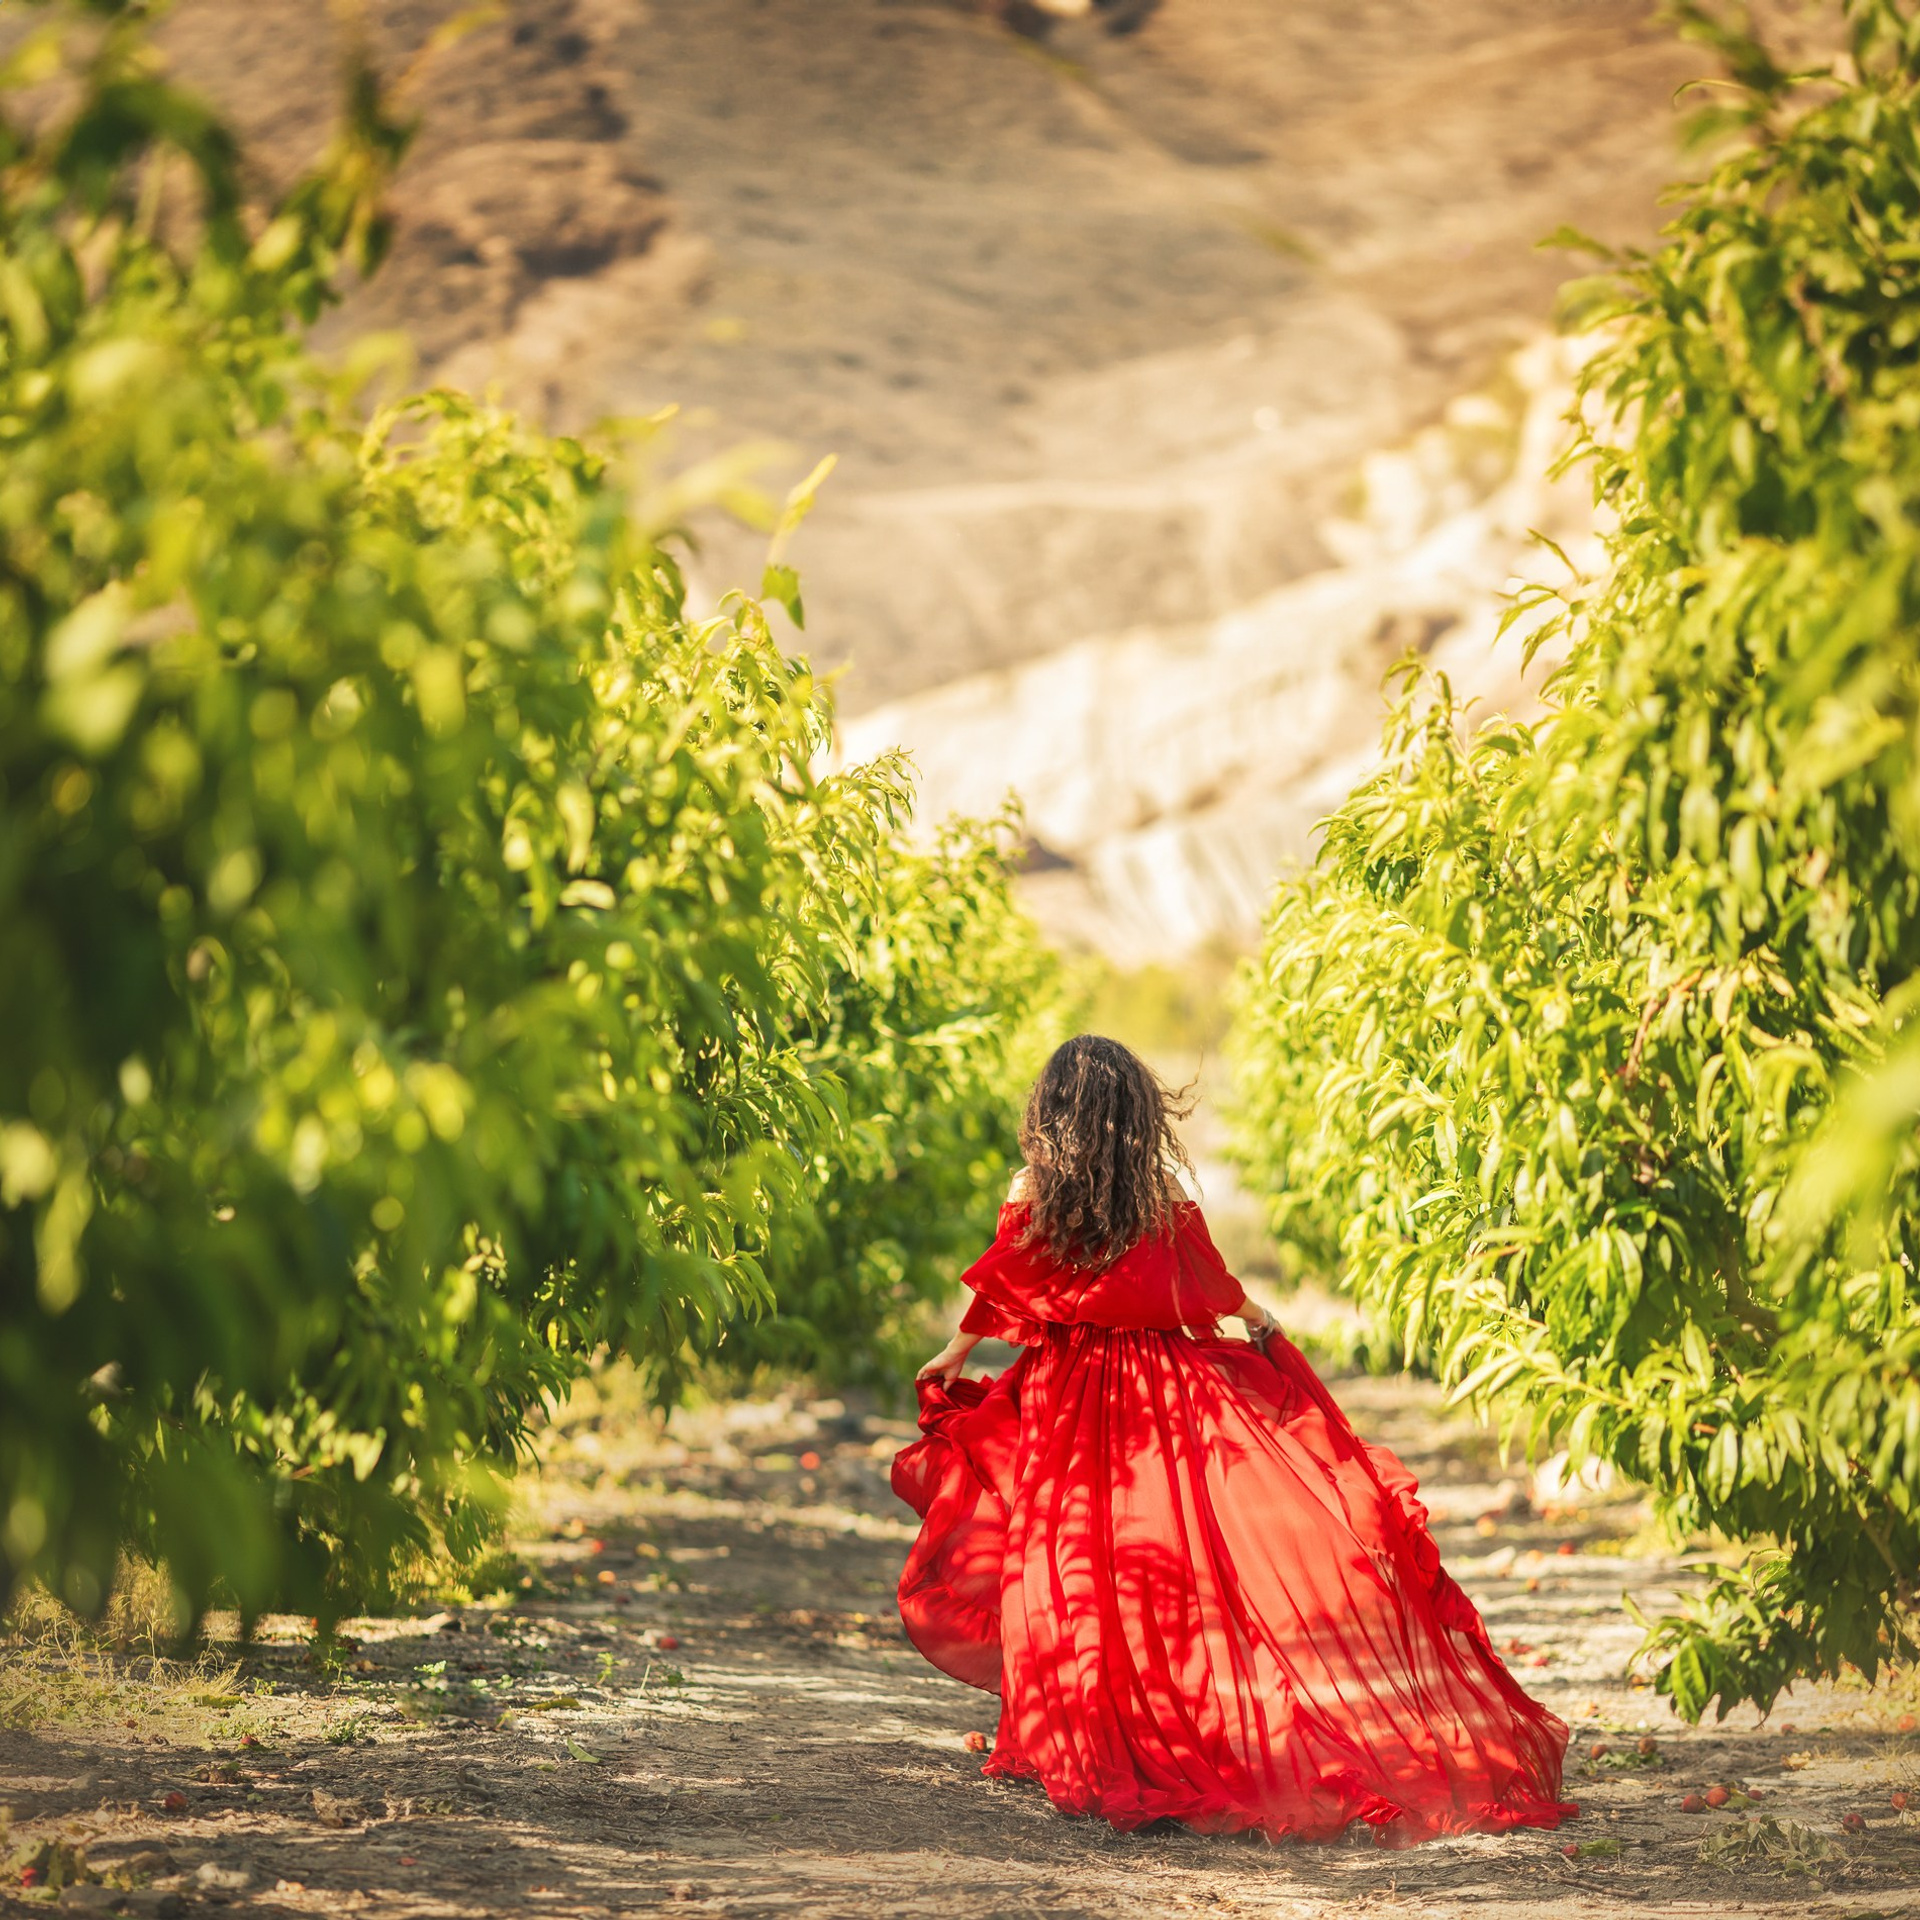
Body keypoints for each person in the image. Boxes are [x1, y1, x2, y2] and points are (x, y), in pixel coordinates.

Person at [892, 1034, 1574, 1846]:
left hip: (1071, 1399)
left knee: (1076, 1563)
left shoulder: (1033, 1190)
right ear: (1135, 1116)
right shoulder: (1159, 1191)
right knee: (1169, 1571)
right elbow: (1206, 1284)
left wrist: (955, 1355)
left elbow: (1009, 1283)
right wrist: (1261, 1323)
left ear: (1052, 1114)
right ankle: (1172, 1733)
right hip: (1162, 1392)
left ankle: (1088, 1739)